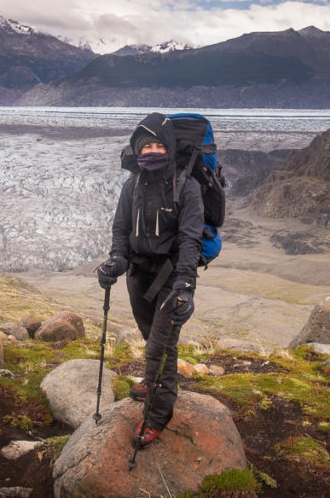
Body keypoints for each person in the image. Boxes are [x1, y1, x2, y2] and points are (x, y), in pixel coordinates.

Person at [97, 112, 204, 449]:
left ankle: (157, 416)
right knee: (149, 337)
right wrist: (117, 261)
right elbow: (121, 230)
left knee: (160, 347)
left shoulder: (187, 187)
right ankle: (152, 380)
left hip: (171, 278)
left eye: (159, 144)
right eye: (147, 146)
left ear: (169, 147)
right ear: (137, 149)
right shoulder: (133, 186)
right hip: (138, 275)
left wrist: (186, 285)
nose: (153, 151)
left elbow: (191, 240)